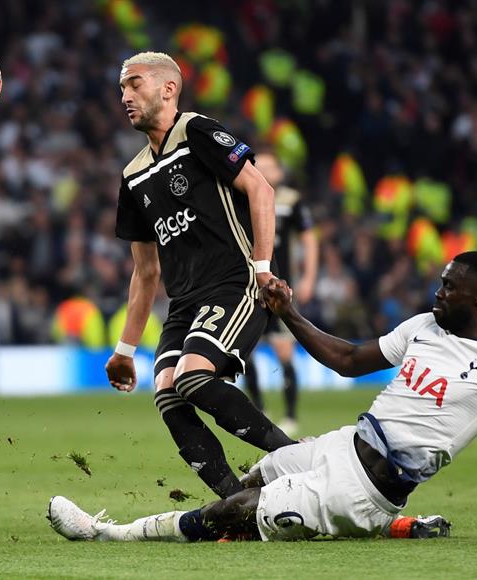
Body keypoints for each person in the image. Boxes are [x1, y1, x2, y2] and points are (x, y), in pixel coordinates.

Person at [48, 251, 477, 542]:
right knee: (254, 479)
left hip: (366, 490)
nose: (438, 292)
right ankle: (395, 529)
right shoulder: (424, 327)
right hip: (343, 445)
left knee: (237, 512)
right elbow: (347, 360)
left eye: (448, 287)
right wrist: (289, 314)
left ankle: (109, 535)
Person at [105, 52, 295, 499]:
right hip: (184, 303)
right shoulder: (132, 176)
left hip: (235, 282)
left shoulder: (195, 131)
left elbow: (260, 188)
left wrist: (262, 269)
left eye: (134, 85)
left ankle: (298, 464)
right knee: (169, 395)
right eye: (121, 90)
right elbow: (145, 271)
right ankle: (236, 504)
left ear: (168, 89)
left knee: (192, 377)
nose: (125, 97)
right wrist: (124, 349)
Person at [244, 149, 319, 436]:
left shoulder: (290, 201)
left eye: (268, 166)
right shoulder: (244, 195)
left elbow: (309, 239)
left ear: (279, 172)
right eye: (257, 165)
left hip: (278, 287)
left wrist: (309, 276)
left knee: (283, 351)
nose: (262, 169)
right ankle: (259, 409)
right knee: (244, 352)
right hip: (249, 287)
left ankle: (289, 416)